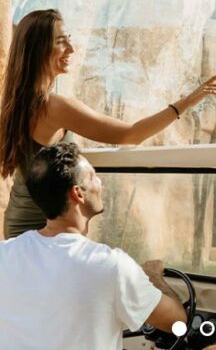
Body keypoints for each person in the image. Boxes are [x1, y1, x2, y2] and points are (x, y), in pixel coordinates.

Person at [0, 8, 216, 239]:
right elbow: (131, 135)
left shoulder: (17, 101)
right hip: (41, 228)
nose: (71, 49)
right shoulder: (54, 107)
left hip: (21, 223)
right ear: (39, 49)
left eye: (70, 40)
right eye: (61, 42)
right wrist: (187, 102)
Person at [0, 142, 186, 349]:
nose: (100, 182)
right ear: (78, 193)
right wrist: (154, 277)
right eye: (93, 176)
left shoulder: (4, 255)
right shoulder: (110, 265)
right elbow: (177, 323)